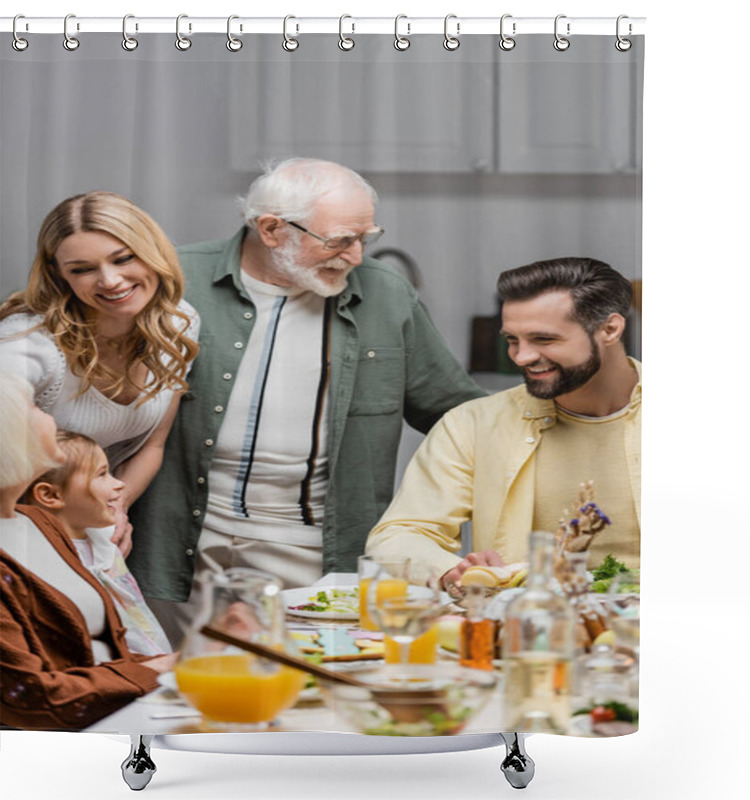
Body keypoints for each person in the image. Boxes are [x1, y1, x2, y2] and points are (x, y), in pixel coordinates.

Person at [127, 157, 485, 641]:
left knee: (304, 692)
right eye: (339, 241)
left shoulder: (386, 295)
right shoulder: (173, 279)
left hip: (313, 547)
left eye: (366, 238)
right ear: (272, 229)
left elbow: (458, 414)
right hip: (180, 538)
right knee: (183, 693)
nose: (357, 256)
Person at [366, 257, 641, 587]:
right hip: (525, 627)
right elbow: (399, 534)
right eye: (512, 340)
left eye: (544, 339)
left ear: (610, 329)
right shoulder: (471, 424)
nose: (522, 357)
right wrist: (451, 569)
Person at [0, 191, 200, 556]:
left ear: (152, 252)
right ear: (60, 277)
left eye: (122, 259)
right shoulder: (30, 343)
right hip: (18, 534)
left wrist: (114, 510)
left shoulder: (176, 323)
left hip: (87, 528)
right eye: (82, 269)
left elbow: (153, 444)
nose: (110, 280)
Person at [0, 372, 176, 731]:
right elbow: (35, 697)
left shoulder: (37, 523)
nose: (50, 415)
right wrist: (154, 670)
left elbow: (96, 643)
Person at [26, 431, 172, 657]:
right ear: (50, 495)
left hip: (150, 664)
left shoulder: (104, 541)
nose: (120, 485)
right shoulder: (39, 561)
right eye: (102, 474)